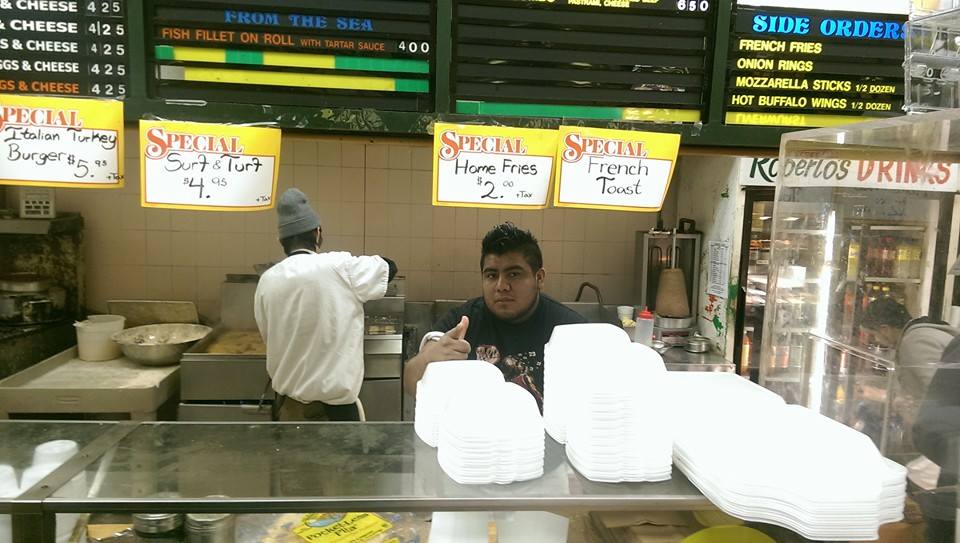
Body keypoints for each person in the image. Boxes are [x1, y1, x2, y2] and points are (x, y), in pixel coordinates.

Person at [403, 222, 586, 410]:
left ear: (539, 278)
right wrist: (429, 359)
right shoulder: (464, 322)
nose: (501, 286)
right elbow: (410, 382)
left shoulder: (570, 329)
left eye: (513, 274)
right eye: (491, 275)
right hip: (474, 426)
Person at [255, 188, 397, 421]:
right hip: (334, 414)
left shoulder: (267, 280)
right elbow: (389, 267)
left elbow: (268, 336)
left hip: (287, 410)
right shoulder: (338, 266)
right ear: (317, 232)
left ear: (281, 240)